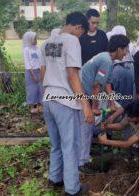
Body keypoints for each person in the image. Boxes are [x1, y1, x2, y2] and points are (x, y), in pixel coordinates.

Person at [40, 12, 93, 196]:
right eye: (81, 33)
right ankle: (72, 189)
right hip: (65, 101)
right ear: (78, 27)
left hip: (48, 98)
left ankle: (55, 179)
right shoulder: (71, 41)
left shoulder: (47, 43)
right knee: (70, 146)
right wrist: (85, 104)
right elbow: (72, 75)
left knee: (56, 144)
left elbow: (43, 72)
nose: (80, 37)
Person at [79, 34, 130, 174]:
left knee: (89, 126)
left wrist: (112, 103)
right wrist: (94, 108)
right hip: (84, 94)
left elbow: (107, 83)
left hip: (89, 94)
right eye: (125, 50)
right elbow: (96, 86)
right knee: (86, 128)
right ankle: (81, 163)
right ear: (119, 49)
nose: (126, 53)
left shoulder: (107, 59)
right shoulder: (106, 60)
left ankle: (85, 156)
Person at [22, 31, 43, 114]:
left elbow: (41, 60)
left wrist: (42, 72)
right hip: (31, 72)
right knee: (32, 90)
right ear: (30, 39)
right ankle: (33, 106)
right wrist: (33, 75)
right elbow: (27, 63)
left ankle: (40, 105)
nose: (36, 40)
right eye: (35, 38)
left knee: (40, 89)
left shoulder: (38, 48)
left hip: (39, 71)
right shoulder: (26, 50)